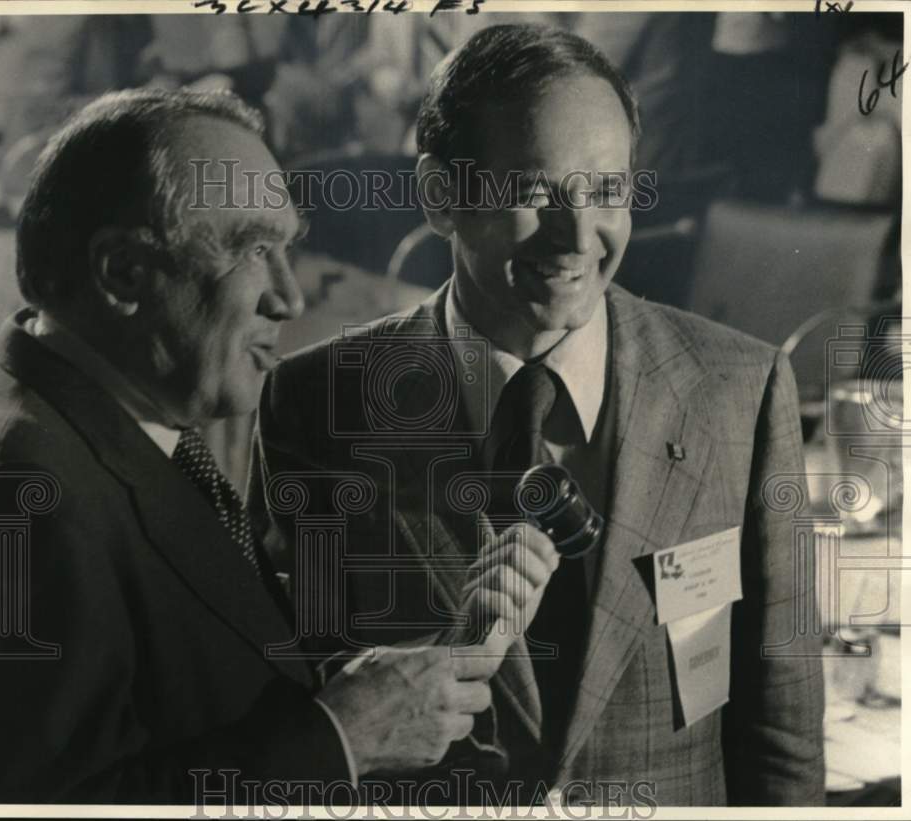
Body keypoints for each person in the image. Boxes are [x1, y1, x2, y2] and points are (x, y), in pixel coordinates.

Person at [256, 24, 825, 806]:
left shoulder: (740, 387)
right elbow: (305, 704)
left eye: (607, 192)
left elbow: (782, 733)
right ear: (439, 195)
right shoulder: (316, 402)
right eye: (532, 190)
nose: (576, 234)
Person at [0, 88, 540, 805]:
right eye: (253, 249)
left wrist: (377, 682)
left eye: (288, 250)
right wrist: (344, 735)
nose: (289, 297)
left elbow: (191, 662)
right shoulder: (22, 490)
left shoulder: (122, 414)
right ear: (123, 273)